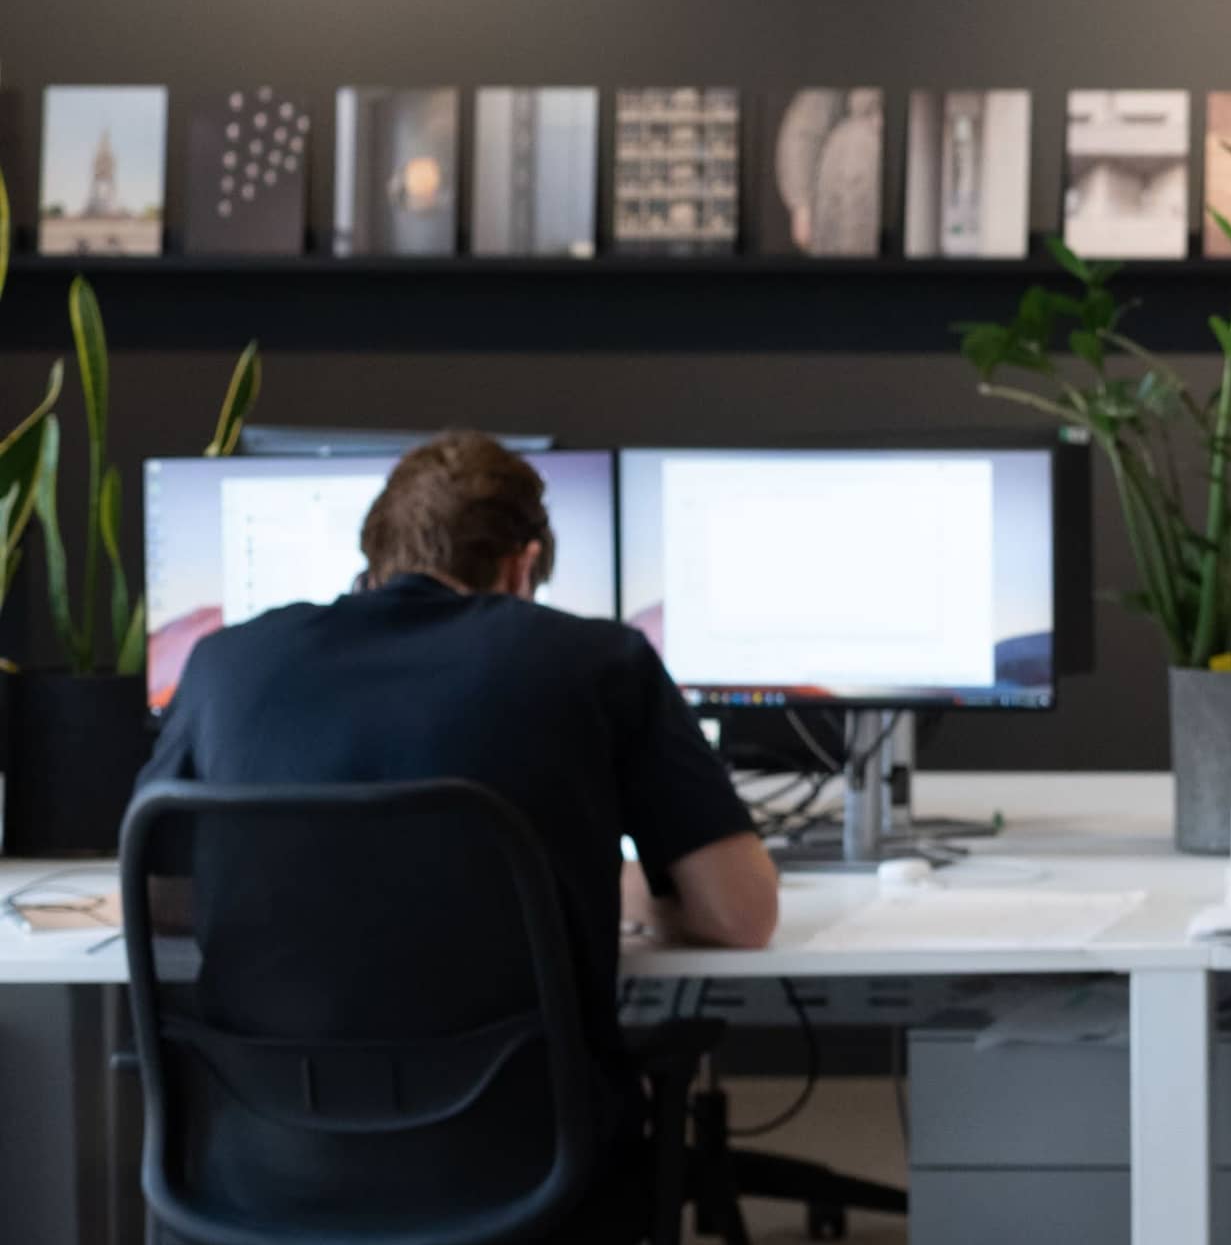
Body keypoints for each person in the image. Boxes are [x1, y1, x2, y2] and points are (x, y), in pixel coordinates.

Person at [142, 430, 779, 1135]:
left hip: (265, 1162)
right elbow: (739, 914)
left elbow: (159, 897)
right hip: (529, 1170)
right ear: (522, 566)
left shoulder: (223, 664)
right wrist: (619, 889)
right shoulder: (602, 660)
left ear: (374, 557)